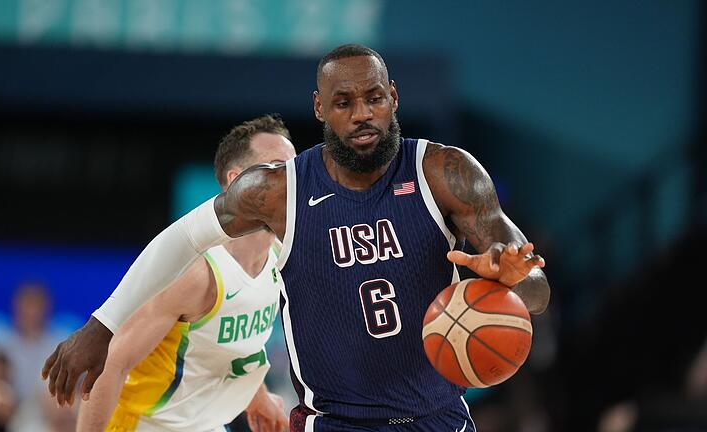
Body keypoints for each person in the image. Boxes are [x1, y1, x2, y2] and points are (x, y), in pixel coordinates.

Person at [43, 44, 550, 431]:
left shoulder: (444, 172)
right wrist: (102, 326)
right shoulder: (278, 193)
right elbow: (180, 238)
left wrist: (510, 281)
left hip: (438, 415)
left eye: (374, 98)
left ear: (393, 97)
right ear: (319, 108)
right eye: (343, 102)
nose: (361, 114)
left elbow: (537, 292)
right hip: (334, 422)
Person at [76, 115, 294, 432]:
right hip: (144, 424)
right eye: (276, 168)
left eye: (292, 168)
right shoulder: (198, 271)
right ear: (238, 181)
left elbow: (224, 348)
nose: (289, 179)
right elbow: (111, 363)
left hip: (203, 423)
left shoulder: (279, 255)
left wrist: (256, 395)